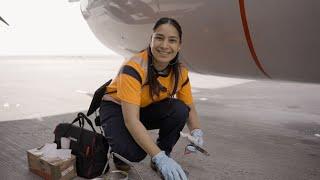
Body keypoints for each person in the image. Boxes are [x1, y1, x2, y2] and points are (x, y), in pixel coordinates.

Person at [99, 17, 204, 180]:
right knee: (134, 153)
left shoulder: (180, 72)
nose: (164, 45)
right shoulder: (134, 67)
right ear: (151, 40)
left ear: (179, 45)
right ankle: (119, 151)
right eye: (159, 38)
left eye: (172, 40)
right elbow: (131, 121)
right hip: (118, 109)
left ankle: (163, 153)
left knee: (180, 109)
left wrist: (197, 131)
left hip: (143, 108)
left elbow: (189, 107)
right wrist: (157, 156)